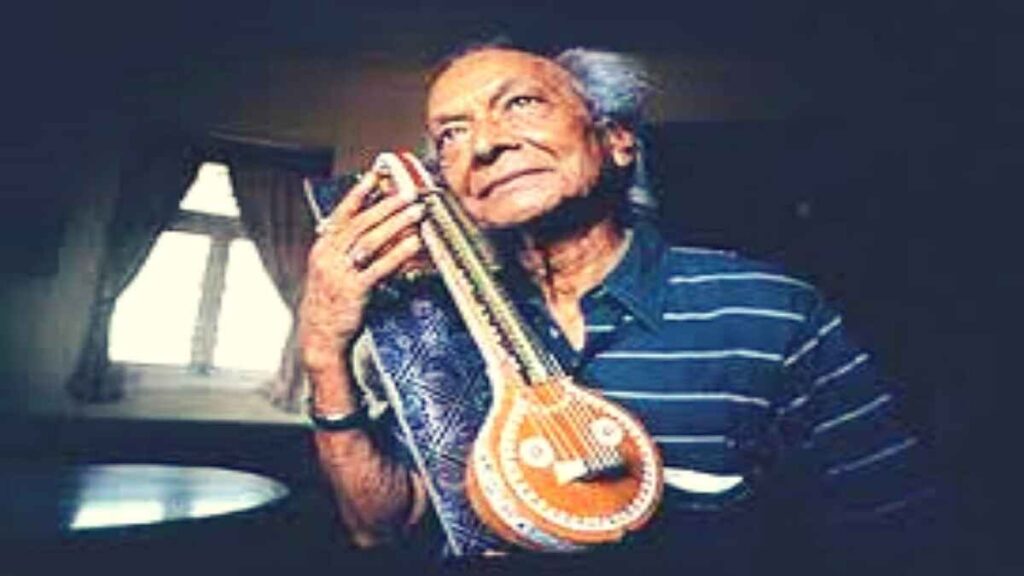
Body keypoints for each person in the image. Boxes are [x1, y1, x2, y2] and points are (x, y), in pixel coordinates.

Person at [299, 43, 944, 573]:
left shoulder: (773, 312)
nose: (484, 145)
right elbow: (382, 526)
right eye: (451, 134)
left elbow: (894, 529)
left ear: (617, 141)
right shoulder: (436, 324)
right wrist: (324, 349)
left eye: (520, 103)